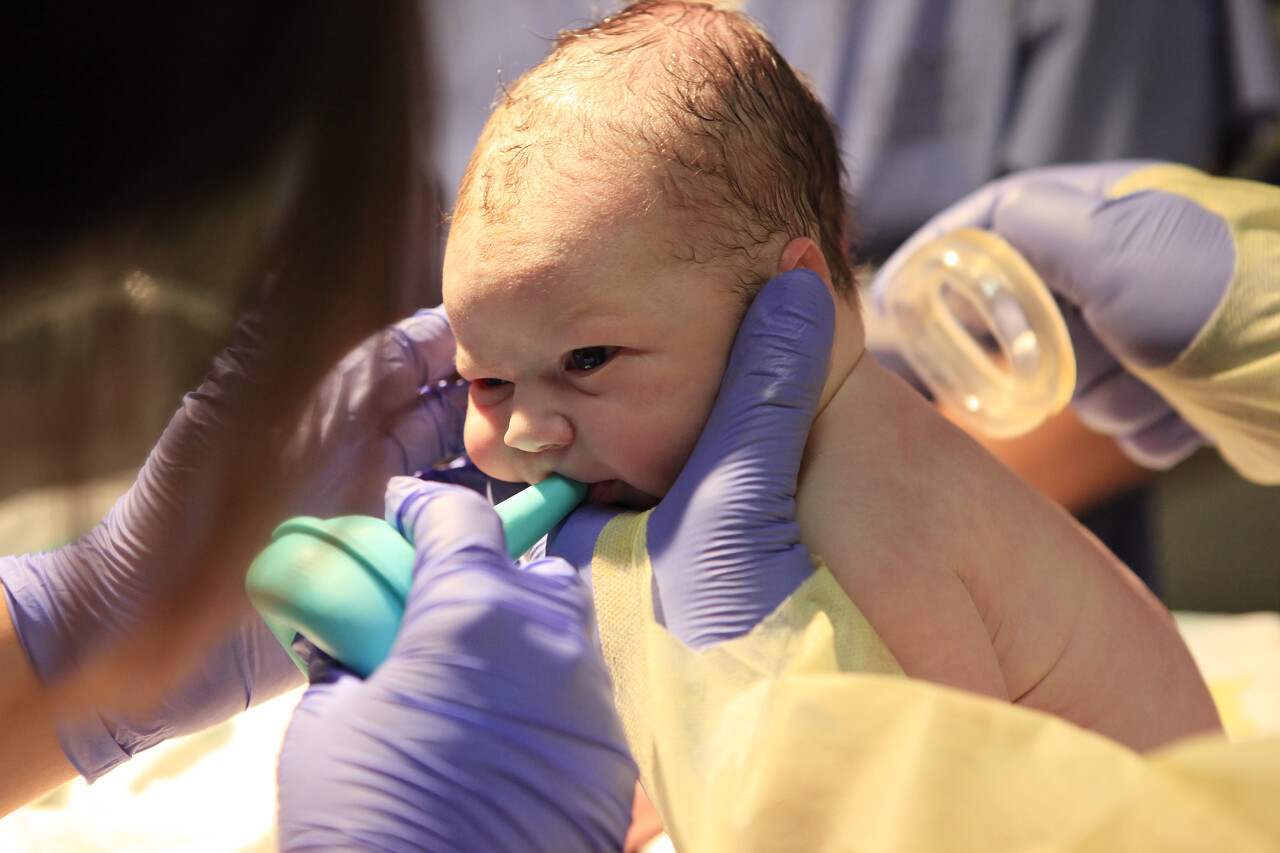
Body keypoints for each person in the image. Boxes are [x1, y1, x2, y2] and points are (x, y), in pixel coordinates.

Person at [440, 0, 1220, 752]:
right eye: (488, 382)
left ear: (786, 306)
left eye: (585, 361)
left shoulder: (869, 508)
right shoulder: (720, 500)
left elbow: (945, 794)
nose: (526, 432)